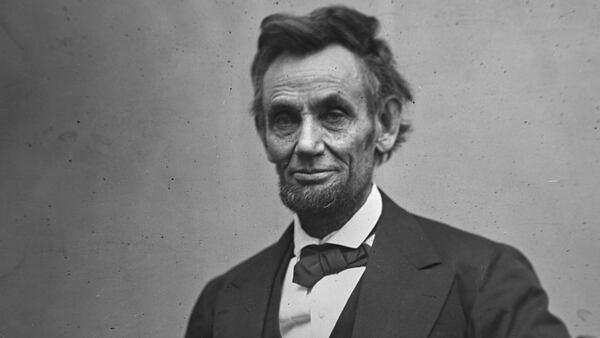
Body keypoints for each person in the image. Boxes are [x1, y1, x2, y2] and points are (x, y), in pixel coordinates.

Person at [186, 5, 570, 338]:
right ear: (263, 133)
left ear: (384, 125)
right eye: (284, 120)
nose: (306, 144)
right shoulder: (221, 301)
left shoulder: (485, 277)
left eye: (333, 115)